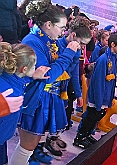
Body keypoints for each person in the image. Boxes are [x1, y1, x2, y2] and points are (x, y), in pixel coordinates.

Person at [9, 1, 81, 164]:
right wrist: (69, 53)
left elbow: (64, 69)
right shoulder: (33, 41)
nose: (63, 32)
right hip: (35, 98)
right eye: (62, 28)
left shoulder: (49, 40)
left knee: (31, 145)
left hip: (45, 97)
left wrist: (72, 53)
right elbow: (50, 74)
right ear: (48, 24)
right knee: (27, 145)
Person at [42, 15, 92, 158]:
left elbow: (75, 73)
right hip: (50, 88)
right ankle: (39, 145)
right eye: (82, 44)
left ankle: (51, 138)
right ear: (73, 34)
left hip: (63, 89)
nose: (82, 48)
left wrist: (79, 94)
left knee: (60, 115)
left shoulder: (76, 51)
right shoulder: (56, 45)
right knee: (45, 116)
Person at [0, 42, 50, 165]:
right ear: (24, 69)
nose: (36, 68)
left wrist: (32, 78)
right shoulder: (11, 92)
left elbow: (18, 81)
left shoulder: (8, 78)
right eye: (34, 66)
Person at [73, 34, 117, 149]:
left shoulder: (114, 58)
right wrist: (99, 100)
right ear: (112, 44)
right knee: (90, 116)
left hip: (105, 96)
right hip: (97, 97)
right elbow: (98, 82)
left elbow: (112, 81)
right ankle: (80, 137)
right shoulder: (103, 59)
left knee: (96, 117)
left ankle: (87, 134)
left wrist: (110, 98)